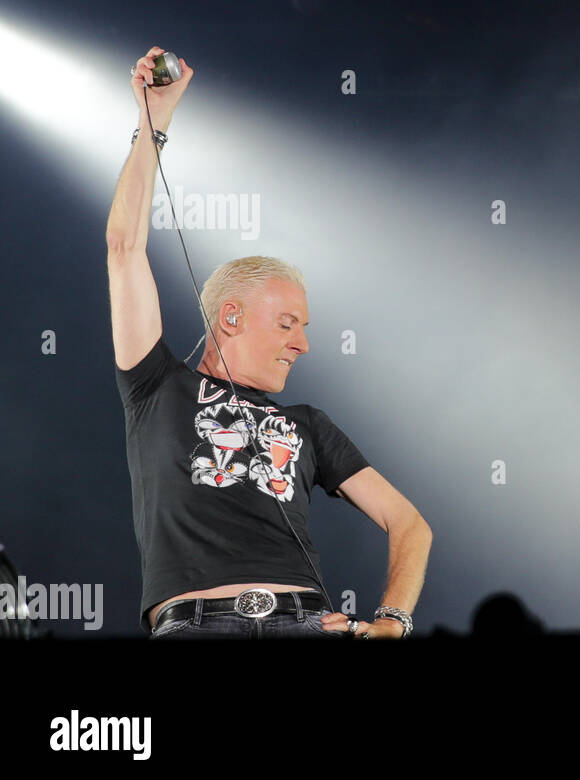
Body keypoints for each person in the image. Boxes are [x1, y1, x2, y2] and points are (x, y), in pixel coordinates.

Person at [107, 46, 433, 639]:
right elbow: (125, 247)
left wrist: (392, 622)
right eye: (288, 323)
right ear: (230, 316)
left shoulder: (309, 423)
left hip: (306, 624)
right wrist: (154, 123)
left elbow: (411, 523)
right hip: (196, 626)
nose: (303, 344)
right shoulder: (157, 385)